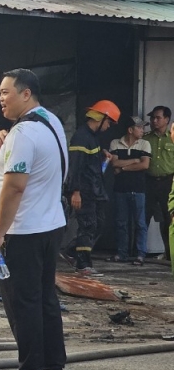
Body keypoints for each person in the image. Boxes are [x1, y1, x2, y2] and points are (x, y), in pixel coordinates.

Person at [0, 69, 68, 370]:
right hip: (50, 225)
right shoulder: (51, 122)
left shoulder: (23, 135)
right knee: (46, 300)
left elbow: (15, 187)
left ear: (25, 94)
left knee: (23, 305)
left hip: (23, 231)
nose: (0, 98)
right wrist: (4, 145)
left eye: (6, 92)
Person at [66, 100, 120, 275]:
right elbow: (75, 167)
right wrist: (75, 192)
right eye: (109, 122)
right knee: (88, 225)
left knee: (98, 224)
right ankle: (83, 264)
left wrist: (102, 154)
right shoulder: (81, 137)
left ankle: (71, 252)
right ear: (101, 118)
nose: (109, 126)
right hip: (84, 191)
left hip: (95, 190)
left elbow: (90, 163)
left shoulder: (92, 137)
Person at [109, 117, 151, 265]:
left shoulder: (145, 144)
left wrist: (123, 168)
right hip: (120, 189)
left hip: (138, 189)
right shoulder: (115, 142)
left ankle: (141, 254)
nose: (142, 130)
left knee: (140, 223)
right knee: (121, 222)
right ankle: (122, 253)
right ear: (130, 130)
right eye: (139, 127)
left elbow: (145, 165)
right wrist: (134, 161)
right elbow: (114, 163)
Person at [144, 106, 174, 261]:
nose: (154, 121)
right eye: (152, 118)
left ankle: (169, 254)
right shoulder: (146, 138)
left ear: (167, 119)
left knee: (168, 219)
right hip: (148, 181)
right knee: (143, 217)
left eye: (158, 118)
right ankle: (137, 253)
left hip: (168, 182)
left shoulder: (172, 138)